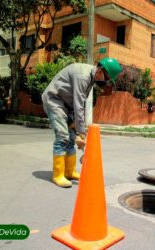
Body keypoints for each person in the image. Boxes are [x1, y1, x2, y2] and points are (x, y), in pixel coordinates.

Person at [42, 58, 122, 188]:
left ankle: (69, 172)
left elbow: (78, 103)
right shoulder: (83, 76)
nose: (106, 82)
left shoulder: (91, 78)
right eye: (107, 78)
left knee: (71, 138)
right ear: (101, 70)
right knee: (63, 137)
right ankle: (58, 175)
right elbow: (79, 104)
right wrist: (81, 132)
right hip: (54, 100)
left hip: (66, 105)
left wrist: (75, 127)